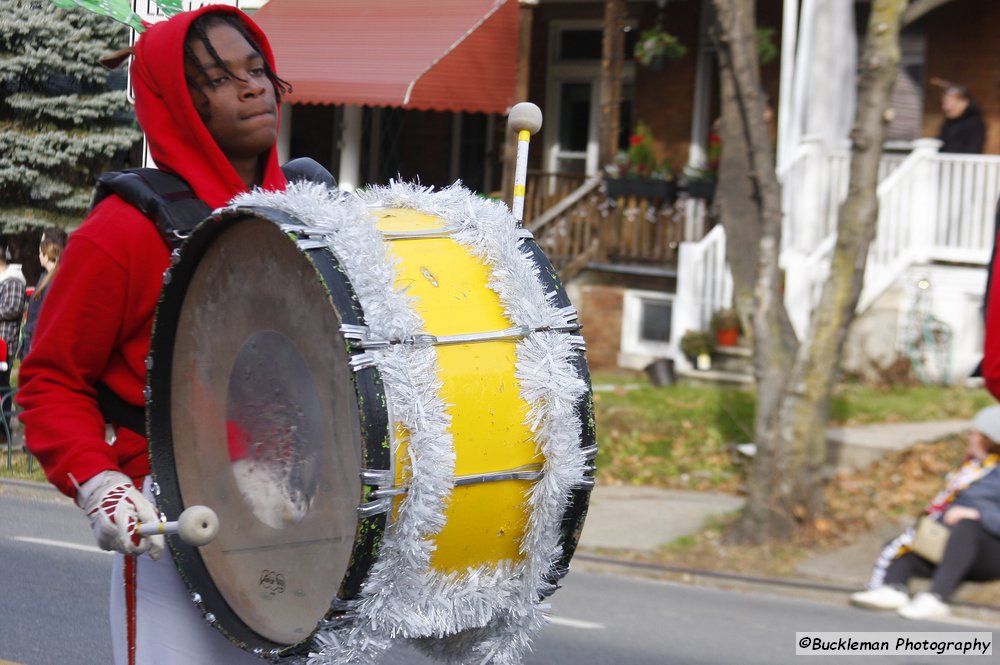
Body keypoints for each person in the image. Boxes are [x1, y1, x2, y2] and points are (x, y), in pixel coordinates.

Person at [17, 6, 291, 663]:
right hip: (179, 533)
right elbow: (49, 380)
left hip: (295, 534)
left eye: (257, 69)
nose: (252, 86)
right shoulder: (125, 231)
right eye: (221, 78)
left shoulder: (304, 217)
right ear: (177, 103)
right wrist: (99, 483)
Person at [849, 405, 1000, 620]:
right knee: (905, 545)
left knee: (968, 528)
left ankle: (937, 597)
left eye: (974, 434)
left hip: (990, 553)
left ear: (990, 439)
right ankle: (893, 588)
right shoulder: (972, 468)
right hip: (953, 548)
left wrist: (978, 515)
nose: (969, 438)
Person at [19, 226, 67, 359]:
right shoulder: (45, 276)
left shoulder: (56, 279)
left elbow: (48, 315)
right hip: (32, 339)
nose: (40, 248)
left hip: (37, 342)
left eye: (42, 243)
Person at [0, 246, 26, 403]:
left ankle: (4, 424)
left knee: (2, 386)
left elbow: (13, 308)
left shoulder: (12, 280)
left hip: (4, 342)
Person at [937, 84, 985, 154]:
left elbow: (973, 150)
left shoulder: (974, 124)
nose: (945, 108)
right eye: (945, 103)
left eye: (951, 102)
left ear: (964, 103)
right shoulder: (948, 122)